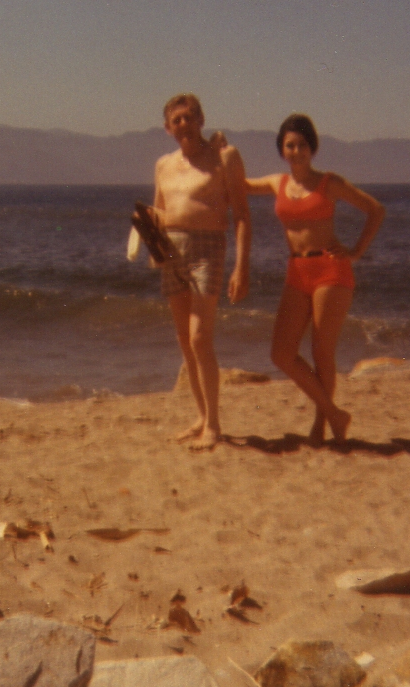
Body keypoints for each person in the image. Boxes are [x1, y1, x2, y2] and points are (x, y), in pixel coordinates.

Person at [246, 113, 385, 445]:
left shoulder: (329, 183)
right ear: (282, 150)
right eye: (290, 145)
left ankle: (323, 423)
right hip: (296, 271)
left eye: (303, 145)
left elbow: (375, 209)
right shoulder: (276, 183)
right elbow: (237, 183)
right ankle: (335, 413)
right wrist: (220, 152)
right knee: (281, 354)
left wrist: (355, 251)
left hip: (330, 271)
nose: (296, 151)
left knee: (322, 352)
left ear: (313, 147)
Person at [152, 93, 251, 450]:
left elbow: (241, 214)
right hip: (171, 251)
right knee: (184, 341)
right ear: (167, 128)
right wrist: (153, 246)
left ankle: (214, 425)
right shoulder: (163, 164)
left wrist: (241, 265)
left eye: (189, 117)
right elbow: (159, 211)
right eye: (176, 120)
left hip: (208, 249)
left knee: (199, 338)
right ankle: (200, 416)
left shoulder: (224, 157)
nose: (184, 124)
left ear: (201, 120)